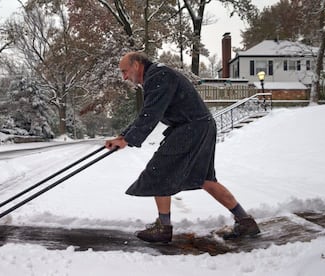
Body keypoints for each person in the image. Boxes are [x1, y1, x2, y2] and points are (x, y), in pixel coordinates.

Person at [105, 51, 260, 243]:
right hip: (199, 126)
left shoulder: (159, 77)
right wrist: (123, 136)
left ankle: (163, 227)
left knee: (159, 171)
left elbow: (151, 113)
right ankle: (245, 221)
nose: (124, 77)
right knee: (204, 179)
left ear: (136, 65)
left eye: (125, 71)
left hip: (191, 128)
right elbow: (147, 113)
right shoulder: (157, 76)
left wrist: (128, 139)